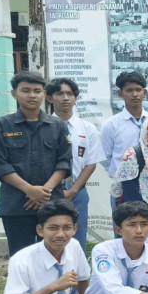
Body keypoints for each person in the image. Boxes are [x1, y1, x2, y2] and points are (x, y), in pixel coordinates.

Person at [0, 71, 71, 255]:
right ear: (14, 94)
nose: (32, 95)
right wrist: (30, 190)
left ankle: (57, 285)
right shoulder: (1, 126)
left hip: (52, 202)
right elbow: (0, 164)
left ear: (44, 94)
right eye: (26, 90)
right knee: (21, 255)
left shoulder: (58, 125)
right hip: (16, 204)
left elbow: (64, 161)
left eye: (37, 91)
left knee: (56, 253)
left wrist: (44, 192)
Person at [46, 78, 103, 252]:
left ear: (76, 98)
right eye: (59, 93)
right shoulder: (43, 127)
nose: (65, 98)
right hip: (48, 192)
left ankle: (76, 276)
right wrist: (51, 189)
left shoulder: (87, 128)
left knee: (76, 237)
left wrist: (73, 191)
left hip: (77, 192)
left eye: (70, 94)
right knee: (49, 236)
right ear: (49, 98)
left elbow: (91, 163)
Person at [100, 72, 148, 204]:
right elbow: (105, 158)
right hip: (122, 187)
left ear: (144, 92)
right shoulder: (111, 125)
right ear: (120, 93)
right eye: (129, 90)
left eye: (138, 90)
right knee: (123, 223)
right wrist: (122, 172)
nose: (135, 94)